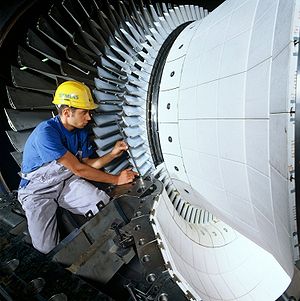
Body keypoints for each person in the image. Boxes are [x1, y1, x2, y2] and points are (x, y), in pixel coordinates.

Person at [18, 80, 137, 254]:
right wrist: (116, 179)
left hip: (66, 182)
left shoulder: (80, 130)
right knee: (46, 249)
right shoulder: (46, 133)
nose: (89, 117)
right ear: (66, 112)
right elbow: (79, 170)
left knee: (101, 203)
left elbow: (88, 164)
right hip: (38, 191)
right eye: (84, 112)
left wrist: (113, 153)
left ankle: (116, 250)